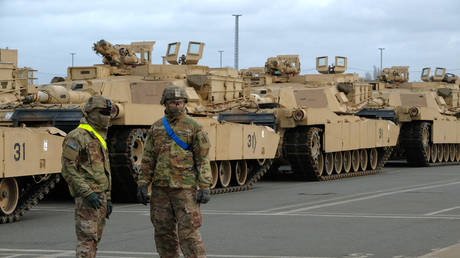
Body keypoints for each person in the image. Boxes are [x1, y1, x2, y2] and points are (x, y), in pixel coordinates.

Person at [137, 84, 213, 258]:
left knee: (189, 234)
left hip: (185, 190)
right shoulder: (156, 128)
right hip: (161, 189)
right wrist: (142, 184)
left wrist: (205, 185)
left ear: (185, 103)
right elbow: (148, 158)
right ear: (165, 103)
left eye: (180, 102)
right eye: (173, 103)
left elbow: (202, 159)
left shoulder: (194, 127)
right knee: (163, 233)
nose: (177, 106)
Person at [61, 95, 113, 258]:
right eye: (102, 112)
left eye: (108, 112)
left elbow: (104, 169)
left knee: (95, 239)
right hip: (87, 197)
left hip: (101, 196)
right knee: (87, 240)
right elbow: (68, 168)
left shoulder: (98, 136)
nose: (107, 116)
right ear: (90, 112)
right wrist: (87, 192)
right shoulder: (77, 136)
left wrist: (108, 197)